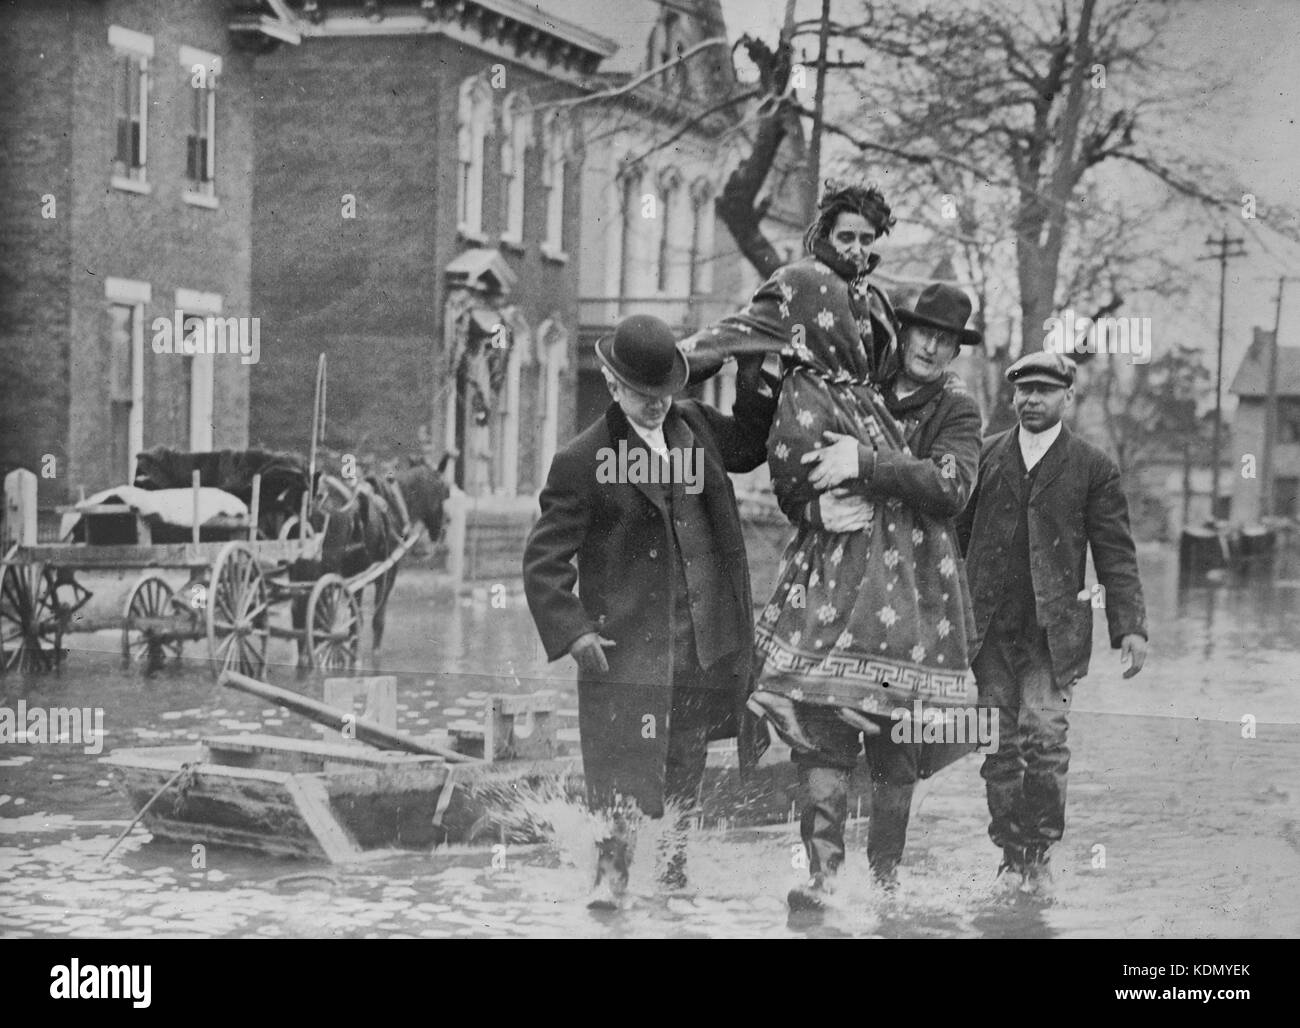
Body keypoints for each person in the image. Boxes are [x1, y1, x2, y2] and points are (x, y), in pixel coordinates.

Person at [681, 182, 981, 909]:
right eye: (844, 237)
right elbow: (739, 353)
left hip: (910, 576)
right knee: (817, 713)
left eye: (865, 242)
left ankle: (881, 883)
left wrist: (868, 464)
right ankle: (822, 879)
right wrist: (680, 371)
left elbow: (951, 486)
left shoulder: (953, 404)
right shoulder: (805, 300)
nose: (855, 252)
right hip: (840, 551)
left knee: (894, 728)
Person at [522, 314, 775, 903]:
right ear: (612, 385)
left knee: (685, 757)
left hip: (700, 640)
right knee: (620, 769)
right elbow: (544, 560)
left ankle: (674, 871)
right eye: (643, 393)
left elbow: (749, 444)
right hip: (627, 647)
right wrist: (575, 632)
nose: (659, 404)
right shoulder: (584, 458)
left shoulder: (695, 428)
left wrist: (752, 370)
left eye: (666, 392)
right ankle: (610, 882)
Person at [956, 351, 1149, 881]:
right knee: (996, 746)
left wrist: (1129, 626)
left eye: (1044, 391)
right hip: (989, 630)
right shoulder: (984, 456)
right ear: (1013, 395)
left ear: (1068, 397)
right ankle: (1010, 855)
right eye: (1024, 390)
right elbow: (954, 541)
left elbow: (1115, 552)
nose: (1031, 400)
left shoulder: (1093, 467)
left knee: (1044, 741)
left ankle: (1037, 856)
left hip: (1053, 634)